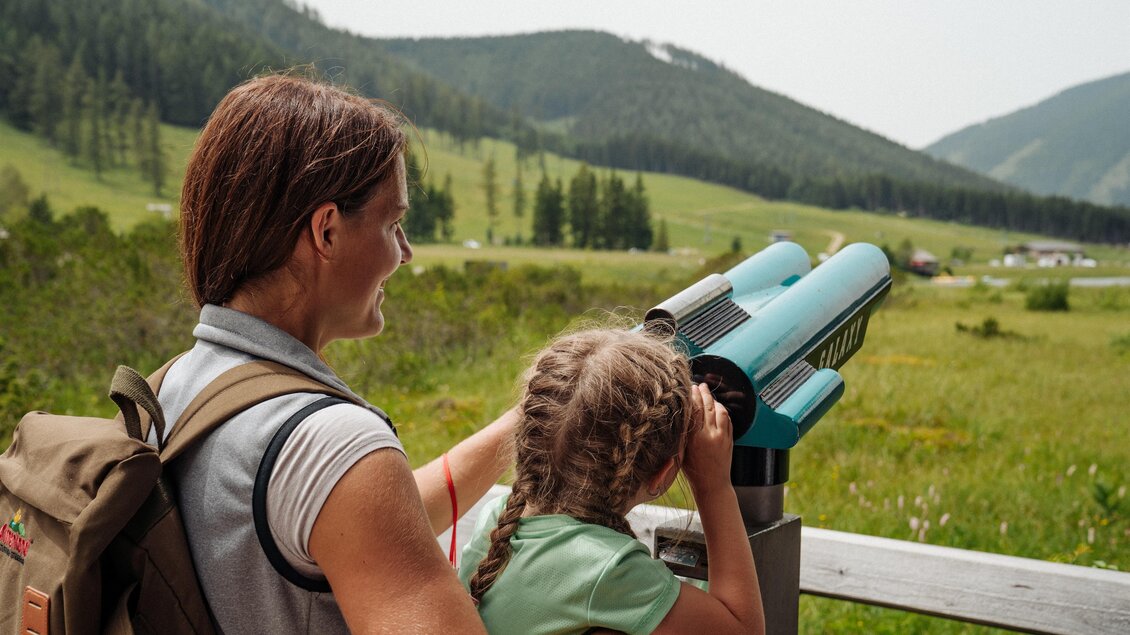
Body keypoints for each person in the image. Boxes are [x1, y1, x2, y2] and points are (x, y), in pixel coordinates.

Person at [158, 73, 513, 633]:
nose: (406, 252)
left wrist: (526, 424)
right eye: (393, 223)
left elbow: (352, 521)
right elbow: (348, 487)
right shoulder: (332, 441)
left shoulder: (174, 388)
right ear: (325, 232)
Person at [460, 329, 765, 635]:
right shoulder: (607, 569)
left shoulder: (498, 518)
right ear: (662, 473)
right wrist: (713, 487)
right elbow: (743, 630)